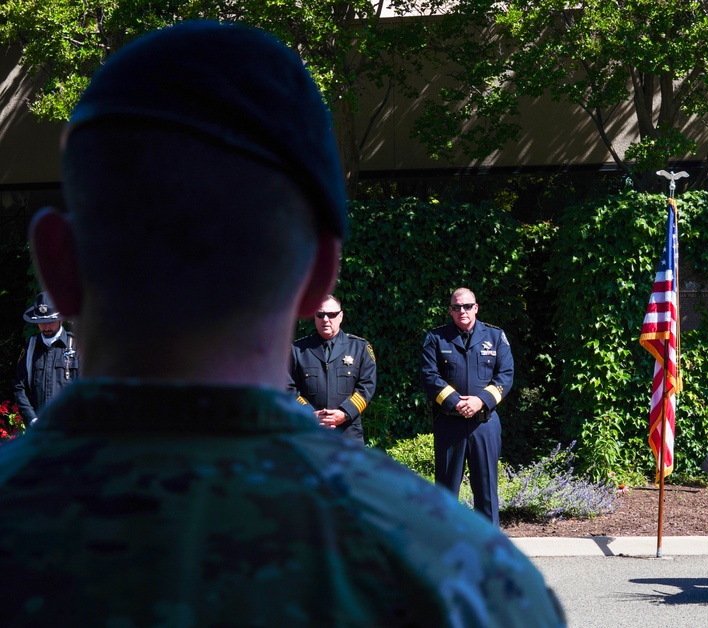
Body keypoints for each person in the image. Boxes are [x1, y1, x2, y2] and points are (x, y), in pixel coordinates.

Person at [0, 21, 563, 626]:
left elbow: (392, 386)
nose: (463, 314)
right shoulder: (467, 580)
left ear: (55, 266)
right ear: (321, 272)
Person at [420, 288, 513, 526]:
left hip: (485, 423)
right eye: (456, 307)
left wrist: (480, 401)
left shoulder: (495, 336)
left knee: (487, 490)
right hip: (449, 422)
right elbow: (429, 376)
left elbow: (505, 376)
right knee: (446, 489)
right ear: (450, 310)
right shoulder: (436, 338)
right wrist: (456, 402)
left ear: (476, 307)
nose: (462, 311)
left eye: (467, 306)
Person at [288, 295, 376, 443]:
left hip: (348, 434)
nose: (326, 319)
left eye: (332, 314)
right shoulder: (298, 350)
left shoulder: (359, 348)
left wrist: (344, 413)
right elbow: (288, 387)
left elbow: (366, 386)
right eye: (320, 315)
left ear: (341, 316)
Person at [14, 292, 79, 426]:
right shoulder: (30, 349)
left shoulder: (77, 346)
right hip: (40, 430)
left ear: (60, 318)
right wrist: (32, 419)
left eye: (50, 321)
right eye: (41, 322)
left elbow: (87, 388)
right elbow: (20, 388)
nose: (46, 327)